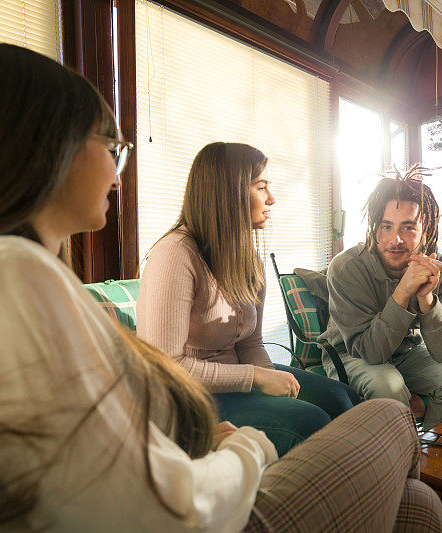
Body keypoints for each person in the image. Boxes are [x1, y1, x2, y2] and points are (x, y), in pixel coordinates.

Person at [0, 43, 442, 531]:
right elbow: (151, 499)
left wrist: (220, 416)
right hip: (202, 507)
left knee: (415, 503)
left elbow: (108, 435)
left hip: (189, 462)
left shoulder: (12, 272)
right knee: (388, 415)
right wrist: (247, 450)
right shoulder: (6, 274)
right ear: (46, 145)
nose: (117, 175)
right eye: (111, 147)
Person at [137, 142, 359, 456]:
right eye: (262, 187)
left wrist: (275, 388)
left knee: (343, 399)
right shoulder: (175, 253)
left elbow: (249, 344)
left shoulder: (249, 259)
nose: (272, 198)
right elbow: (166, 366)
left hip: (236, 384)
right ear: (228, 192)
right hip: (185, 397)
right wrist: (256, 378)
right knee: (311, 421)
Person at [319, 166, 442, 429]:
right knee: (387, 383)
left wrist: (427, 300)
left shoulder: (438, 268)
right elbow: (370, 352)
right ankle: (401, 459)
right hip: (351, 354)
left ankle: (434, 455)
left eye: (409, 228)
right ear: (372, 227)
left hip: (407, 352)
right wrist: (403, 290)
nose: (396, 239)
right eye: (385, 226)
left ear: (426, 230)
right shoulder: (347, 268)